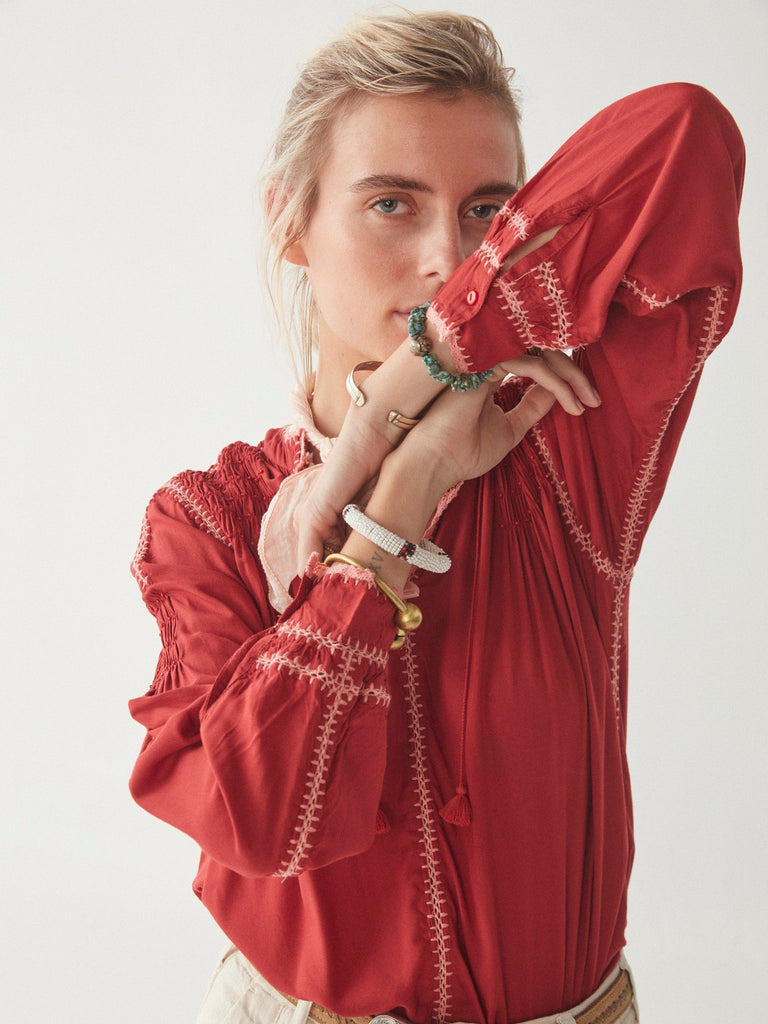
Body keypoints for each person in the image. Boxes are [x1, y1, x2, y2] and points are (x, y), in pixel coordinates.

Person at [128, 10, 744, 1024]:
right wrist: (396, 503)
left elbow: (689, 134)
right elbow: (267, 821)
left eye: (487, 213)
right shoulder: (211, 521)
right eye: (391, 204)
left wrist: (415, 377)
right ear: (290, 221)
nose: (446, 260)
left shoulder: (568, 445)